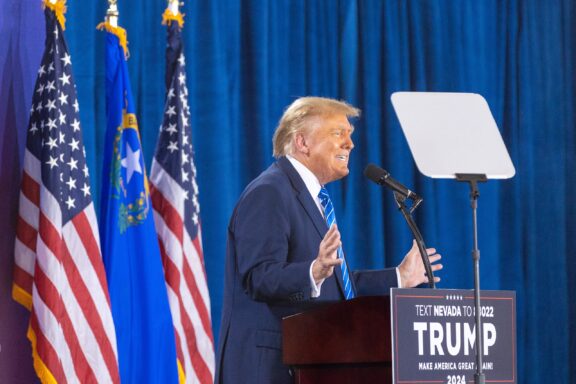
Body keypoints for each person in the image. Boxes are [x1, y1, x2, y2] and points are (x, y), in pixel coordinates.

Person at [215, 96, 442, 383]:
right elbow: (259, 277)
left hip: (310, 363)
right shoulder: (270, 192)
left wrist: (399, 277)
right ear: (303, 142)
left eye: (350, 135)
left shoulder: (312, 198)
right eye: (338, 133)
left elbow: (336, 283)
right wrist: (312, 271)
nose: (350, 144)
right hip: (268, 368)